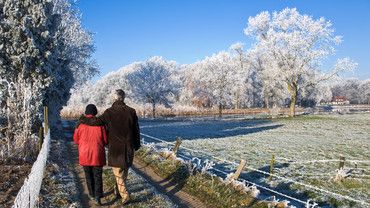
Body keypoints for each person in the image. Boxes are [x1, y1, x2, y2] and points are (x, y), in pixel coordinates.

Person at [80, 89, 141, 204]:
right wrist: (137, 144)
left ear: (114, 98)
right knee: (124, 171)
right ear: (123, 98)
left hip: (115, 148)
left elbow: (96, 122)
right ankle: (118, 191)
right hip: (128, 146)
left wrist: (83, 119)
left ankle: (124, 195)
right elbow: (136, 130)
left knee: (117, 172)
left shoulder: (109, 112)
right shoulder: (131, 111)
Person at [73, 104, 108, 205]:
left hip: (84, 153)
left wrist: (83, 144)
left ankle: (92, 194)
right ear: (95, 112)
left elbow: (75, 139)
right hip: (97, 153)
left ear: (86, 112)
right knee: (98, 175)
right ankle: (98, 196)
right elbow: (105, 140)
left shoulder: (80, 124)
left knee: (88, 175)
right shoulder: (100, 124)